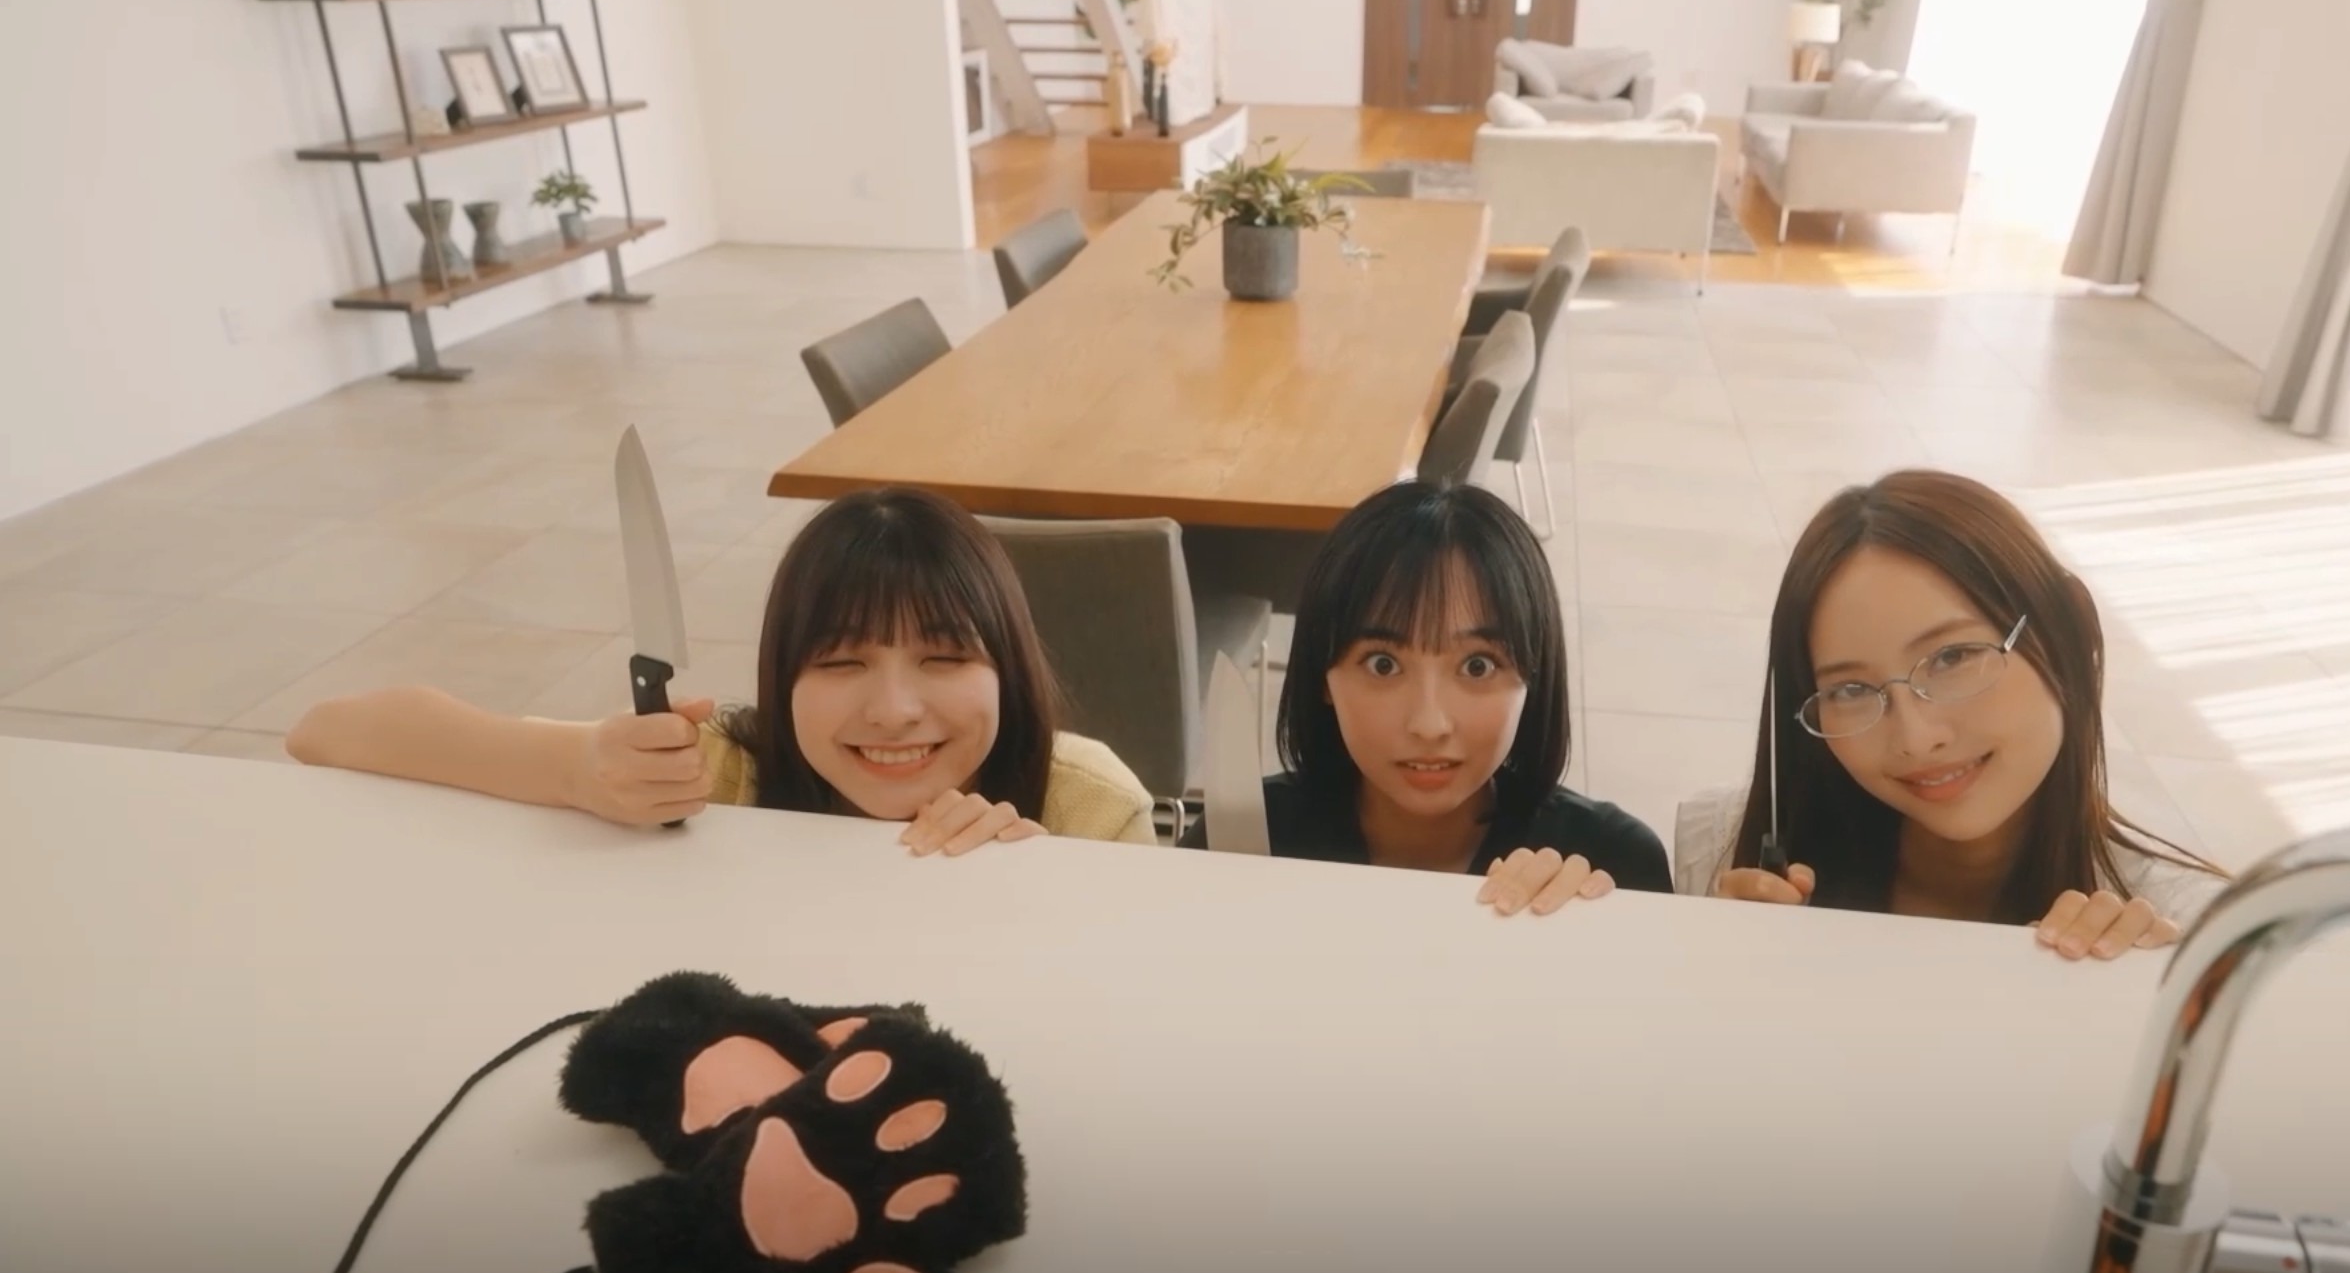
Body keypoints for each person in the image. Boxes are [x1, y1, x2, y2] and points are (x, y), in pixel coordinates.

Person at [287, 487, 1156, 853]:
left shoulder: (1089, 806)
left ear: (1008, 666)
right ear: (782, 678)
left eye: (945, 656)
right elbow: (324, 733)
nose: (894, 709)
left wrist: (1041, 893)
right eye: (841, 659)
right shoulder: (713, 773)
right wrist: (578, 768)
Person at [1674, 469, 2224, 960]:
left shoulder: (2189, 934)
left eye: (1953, 658)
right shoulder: (1724, 851)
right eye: (1850, 689)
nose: (1916, 738)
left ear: (2071, 632)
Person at [1188, 479, 1672, 914]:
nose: (1429, 724)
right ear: (1323, 677)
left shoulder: (1612, 862)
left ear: (1533, 677)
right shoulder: (1244, 837)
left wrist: (1587, 930)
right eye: (1383, 664)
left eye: (1477, 666)